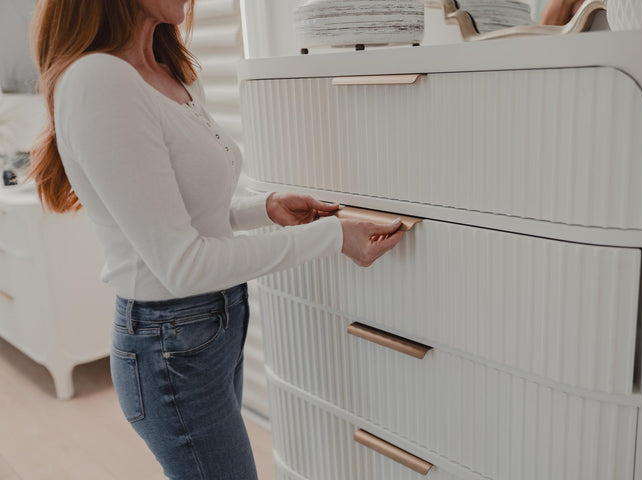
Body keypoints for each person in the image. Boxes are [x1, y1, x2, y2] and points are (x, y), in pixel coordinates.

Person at [27, 0, 405, 478]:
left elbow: (186, 215)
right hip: (170, 344)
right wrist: (333, 237)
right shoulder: (98, 81)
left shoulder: (169, 72)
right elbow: (183, 264)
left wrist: (264, 208)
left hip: (210, 329)